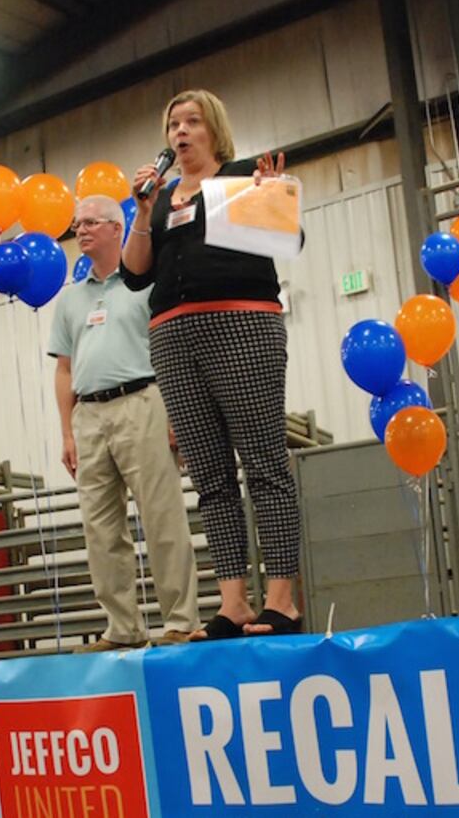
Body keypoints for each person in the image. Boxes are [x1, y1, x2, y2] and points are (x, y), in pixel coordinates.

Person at [122, 89, 304, 639]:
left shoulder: (244, 174)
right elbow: (134, 274)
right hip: (173, 336)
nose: (180, 132)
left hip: (242, 324)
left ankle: (281, 601)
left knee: (264, 465)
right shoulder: (161, 196)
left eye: (191, 122)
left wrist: (270, 196)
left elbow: (290, 239)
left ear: (212, 129)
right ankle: (233, 603)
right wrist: (142, 212)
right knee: (210, 475)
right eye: (173, 124)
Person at [50, 194, 201, 652]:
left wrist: (177, 411)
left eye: (92, 222)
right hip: (89, 414)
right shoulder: (70, 300)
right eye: (77, 224)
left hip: (143, 400)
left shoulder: (145, 284)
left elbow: (174, 347)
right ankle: (121, 627)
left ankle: (179, 620)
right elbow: (63, 369)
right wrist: (66, 430)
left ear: (119, 228)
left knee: (162, 515)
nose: (82, 230)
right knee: (99, 527)